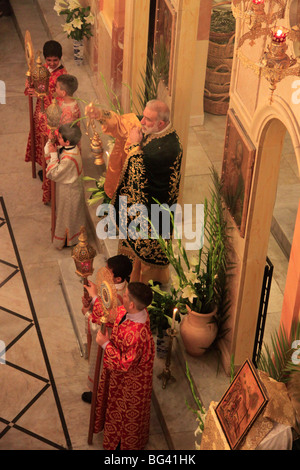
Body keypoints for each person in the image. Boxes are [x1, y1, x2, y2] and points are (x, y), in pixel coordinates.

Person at [85, 99, 183, 285]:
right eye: (144, 116)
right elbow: (124, 123)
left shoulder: (168, 148)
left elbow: (139, 170)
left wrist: (133, 145)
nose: (142, 122)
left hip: (154, 210)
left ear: (161, 123)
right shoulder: (152, 128)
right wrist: (100, 114)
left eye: (147, 119)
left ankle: (143, 285)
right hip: (138, 205)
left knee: (147, 250)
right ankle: (127, 271)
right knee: (131, 242)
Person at [93, 281, 155, 450]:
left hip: (130, 384)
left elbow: (124, 363)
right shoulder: (130, 311)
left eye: (125, 295)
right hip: (118, 377)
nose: (123, 297)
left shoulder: (138, 334)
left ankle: (122, 445)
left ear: (132, 304)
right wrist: (93, 299)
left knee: (125, 415)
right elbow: (111, 314)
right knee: (112, 407)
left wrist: (106, 344)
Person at [81, 254, 133, 403]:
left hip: (108, 337)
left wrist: (88, 311)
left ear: (117, 279)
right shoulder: (120, 287)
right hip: (110, 335)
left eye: (108, 272)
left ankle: (98, 394)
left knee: (101, 366)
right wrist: (89, 301)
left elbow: (102, 318)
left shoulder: (117, 296)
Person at [24, 40, 67, 201]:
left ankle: (52, 172)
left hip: (52, 118)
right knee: (40, 143)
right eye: (49, 60)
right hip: (40, 114)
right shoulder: (43, 70)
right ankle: (44, 167)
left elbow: (60, 97)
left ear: (60, 59)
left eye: (55, 60)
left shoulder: (62, 75)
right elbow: (38, 86)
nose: (52, 63)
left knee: (50, 145)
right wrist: (31, 85)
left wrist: (41, 94)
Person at [46, 123, 85, 249]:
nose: (58, 139)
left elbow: (53, 173)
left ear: (67, 142)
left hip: (69, 192)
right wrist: (50, 141)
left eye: (60, 138)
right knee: (67, 215)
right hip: (67, 188)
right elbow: (56, 153)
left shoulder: (69, 159)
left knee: (67, 216)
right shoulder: (71, 148)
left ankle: (68, 240)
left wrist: (52, 154)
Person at [43, 74, 81, 203]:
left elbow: (65, 132)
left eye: (57, 88)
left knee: (60, 176)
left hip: (64, 146)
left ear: (63, 92)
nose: (55, 90)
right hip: (64, 141)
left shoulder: (69, 111)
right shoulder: (67, 102)